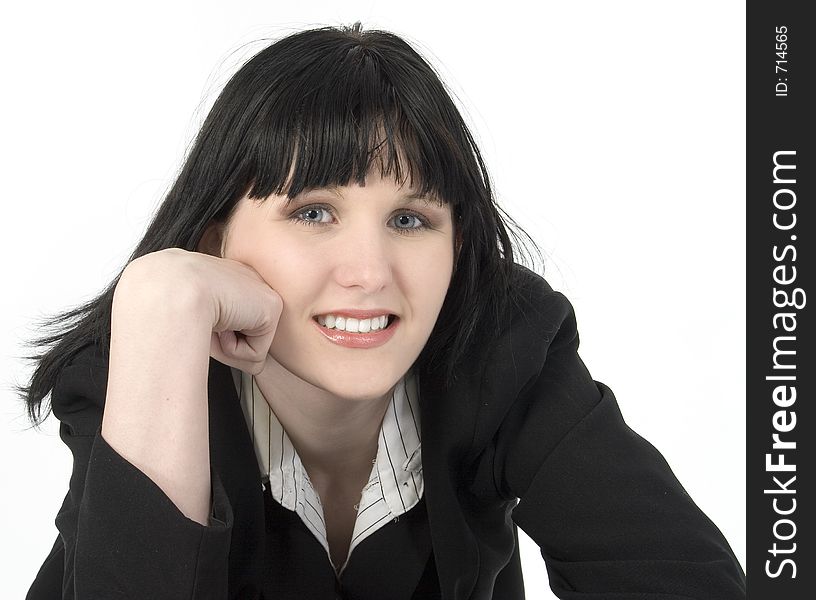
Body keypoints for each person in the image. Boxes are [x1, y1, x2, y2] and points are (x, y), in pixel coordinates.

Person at [20, 22, 746, 599]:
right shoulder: (140, 367)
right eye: (313, 212)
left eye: (409, 220)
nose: (369, 274)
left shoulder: (505, 347)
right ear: (216, 240)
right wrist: (160, 301)